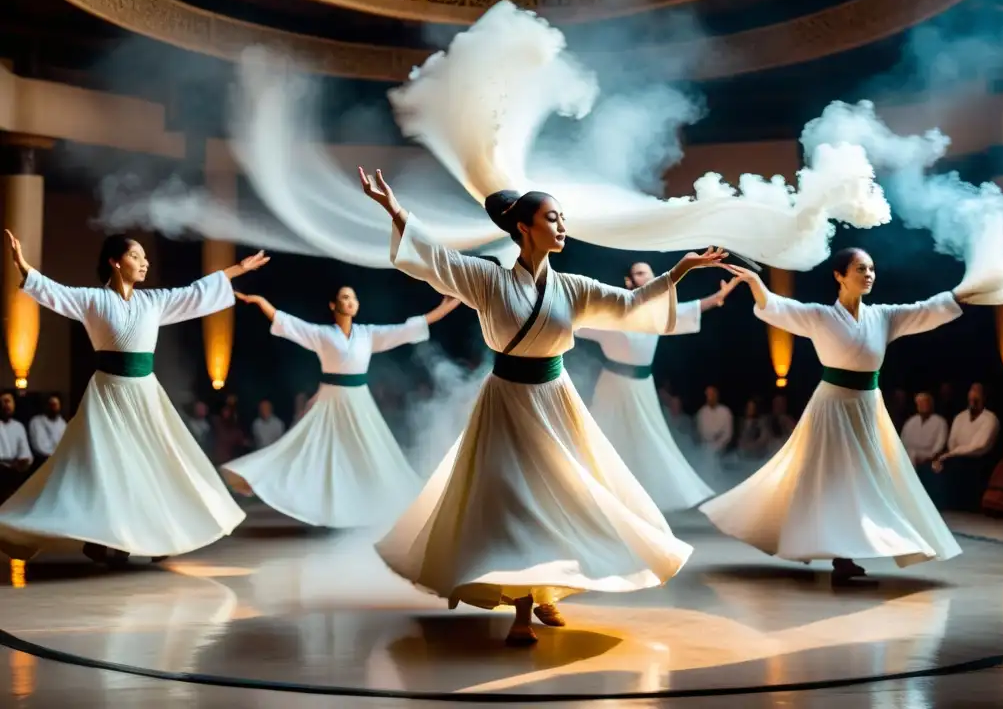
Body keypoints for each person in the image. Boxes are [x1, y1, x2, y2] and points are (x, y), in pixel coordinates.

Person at [359, 167, 730, 646]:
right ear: (523, 228)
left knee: (566, 495)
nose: (561, 227)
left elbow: (631, 304)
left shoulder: (573, 288)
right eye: (552, 218)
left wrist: (682, 270)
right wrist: (393, 207)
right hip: (508, 400)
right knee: (513, 499)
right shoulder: (487, 280)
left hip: (555, 401)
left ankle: (547, 588)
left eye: (562, 219)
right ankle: (521, 607)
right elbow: (434, 258)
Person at [700, 248, 971, 584]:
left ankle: (856, 547)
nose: (869, 274)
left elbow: (924, 311)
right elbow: (778, 307)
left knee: (869, 480)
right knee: (834, 479)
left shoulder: (884, 316)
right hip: (832, 406)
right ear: (839, 276)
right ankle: (840, 554)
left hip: (868, 406)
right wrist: (755, 281)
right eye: (860, 269)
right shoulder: (820, 316)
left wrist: (960, 295)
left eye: (872, 268)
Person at [0, 230, 269, 565]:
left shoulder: (153, 302)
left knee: (156, 462)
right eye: (136, 256)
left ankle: (157, 534)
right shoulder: (93, 300)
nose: (145, 262)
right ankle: (103, 535)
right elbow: (55, 292)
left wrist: (237, 269)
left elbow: (194, 292)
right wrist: (23, 265)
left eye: (145, 257)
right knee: (108, 467)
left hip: (144, 393)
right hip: (108, 394)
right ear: (115, 262)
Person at [221, 287, 459, 527]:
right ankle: (262, 481)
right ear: (333, 305)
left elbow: (407, 329)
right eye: (345, 297)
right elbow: (289, 323)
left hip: (359, 402)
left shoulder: (368, 334)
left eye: (354, 297)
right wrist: (262, 302)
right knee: (309, 450)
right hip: (330, 401)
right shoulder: (322, 334)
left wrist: (445, 307)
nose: (351, 301)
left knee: (374, 455)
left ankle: (381, 510)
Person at [573, 264, 738, 512]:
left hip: (642, 387)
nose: (646, 277)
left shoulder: (659, 314)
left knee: (650, 443)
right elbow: (574, 320)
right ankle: (587, 497)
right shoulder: (612, 312)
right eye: (640, 274)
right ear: (629, 281)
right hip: (613, 386)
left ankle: (641, 502)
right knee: (602, 438)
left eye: (649, 274)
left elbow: (689, 310)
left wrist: (719, 297)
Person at [932, 383, 1000, 510]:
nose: (973, 397)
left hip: (979, 459)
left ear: (984, 397)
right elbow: (952, 442)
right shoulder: (960, 417)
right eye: (971, 393)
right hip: (956, 457)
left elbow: (979, 445)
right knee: (938, 467)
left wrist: (952, 454)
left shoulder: (990, 418)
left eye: (977, 394)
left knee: (960, 466)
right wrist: (951, 454)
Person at [901, 392, 948, 466]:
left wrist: (932, 456)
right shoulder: (911, 421)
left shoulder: (940, 421)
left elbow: (940, 444)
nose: (922, 405)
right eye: (919, 403)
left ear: (931, 404)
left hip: (929, 456)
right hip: (908, 455)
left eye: (924, 402)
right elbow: (903, 440)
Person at [0, 392, 32, 504]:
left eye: (9, 401)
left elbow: (25, 453)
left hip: (15, 472)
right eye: (3, 401)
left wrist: (22, 462)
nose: (6, 405)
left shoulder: (19, 427)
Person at [28, 393, 66, 461]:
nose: (53, 407)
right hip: (42, 460)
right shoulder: (36, 422)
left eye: (55, 405)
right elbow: (38, 446)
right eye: (51, 404)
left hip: (59, 459)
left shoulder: (63, 424)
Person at [696, 385, 733, 455]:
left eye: (712, 395)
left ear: (716, 395)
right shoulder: (701, 413)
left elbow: (728, 434)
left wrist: (716, 447)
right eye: (708, 395)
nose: (710, 397)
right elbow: (700, 432)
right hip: (704, 448)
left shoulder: (725, 412)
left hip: (721, 451)